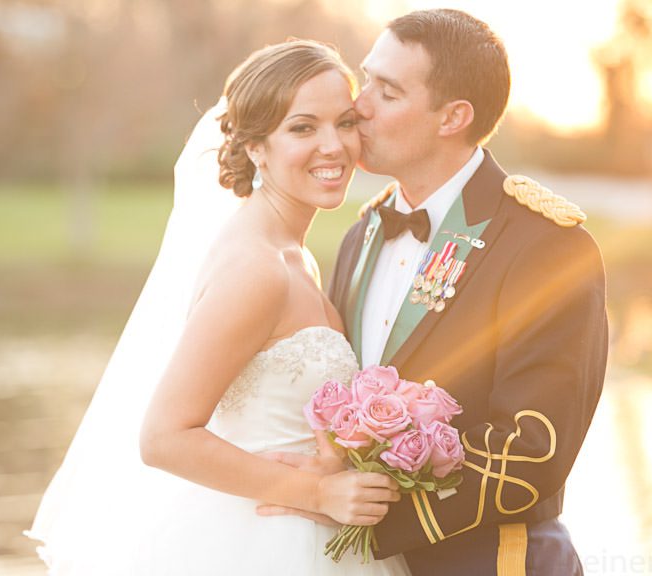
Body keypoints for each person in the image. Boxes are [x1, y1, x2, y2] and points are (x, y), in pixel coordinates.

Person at [25, 39, 411, 575]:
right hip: (261, 546)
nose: (334, 146)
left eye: (345, 122)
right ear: (256, 147)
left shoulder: (290, 255)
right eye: (303, 128)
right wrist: (318, 492)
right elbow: (164, 437)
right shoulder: (257, 270)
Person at [259, 9, 608, 575]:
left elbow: (531, 453)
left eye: (387, 92)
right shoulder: (362, 234)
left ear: (453, 117)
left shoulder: (546, 246)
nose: (358, 104)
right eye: (365, 79)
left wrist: (366, 517)